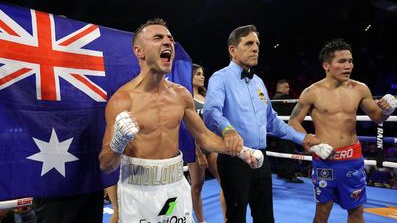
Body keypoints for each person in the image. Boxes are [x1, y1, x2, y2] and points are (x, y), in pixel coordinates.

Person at [98, 18, 262, 223]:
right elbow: (106, 164)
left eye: (170, 38)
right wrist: (118, 142)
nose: (168, 42)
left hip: (174, 187)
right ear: (139, 51)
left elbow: (203, 137)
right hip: (137, 191)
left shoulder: (181, 95)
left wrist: (242, 151)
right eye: (158, 38)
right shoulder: (122, 100)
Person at [202, 24, 327, 223]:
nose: (255, 48)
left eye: (257, 44)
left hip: (262, 159)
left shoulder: (259, 82)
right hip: (236, 158)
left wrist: (303, 138)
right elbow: (210, 112)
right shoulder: (220, 78)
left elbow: (272, 121)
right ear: (232, 50)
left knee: (266, 217)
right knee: (236, 217)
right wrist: (228, 130)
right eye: (249, 43)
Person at [288, 38, 397, 223]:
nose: (348, 66)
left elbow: (377, 117)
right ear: (326, 65)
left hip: (352, 159)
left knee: (356, 211)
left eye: (350, 61)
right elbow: (293, 122)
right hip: (324, 159)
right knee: (322, 211)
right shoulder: (312, 92)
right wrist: (312, 143)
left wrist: (387, 110)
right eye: (342, 61)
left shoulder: (360, 89)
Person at [188, 63, 226, 223]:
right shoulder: (186, 97)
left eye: (203, 74)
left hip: (211, 144)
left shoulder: (206, 97)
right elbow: (189, 128)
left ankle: (227, 219)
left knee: (225, 182)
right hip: (195, 146)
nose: (202, 77)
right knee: (197, 186)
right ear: (190, 77)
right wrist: (199, 154)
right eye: (198, 74)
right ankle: (201, 221)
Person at [271, 79, 304, 183]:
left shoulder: (274, 98)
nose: (288, 89)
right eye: (286, 87)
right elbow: (294, 112)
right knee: (288, 151)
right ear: (279, 88)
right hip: (286, 129)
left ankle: (281, 173)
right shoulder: (284, 98)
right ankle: (290, 175)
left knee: (281, 152)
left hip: (277, 130)